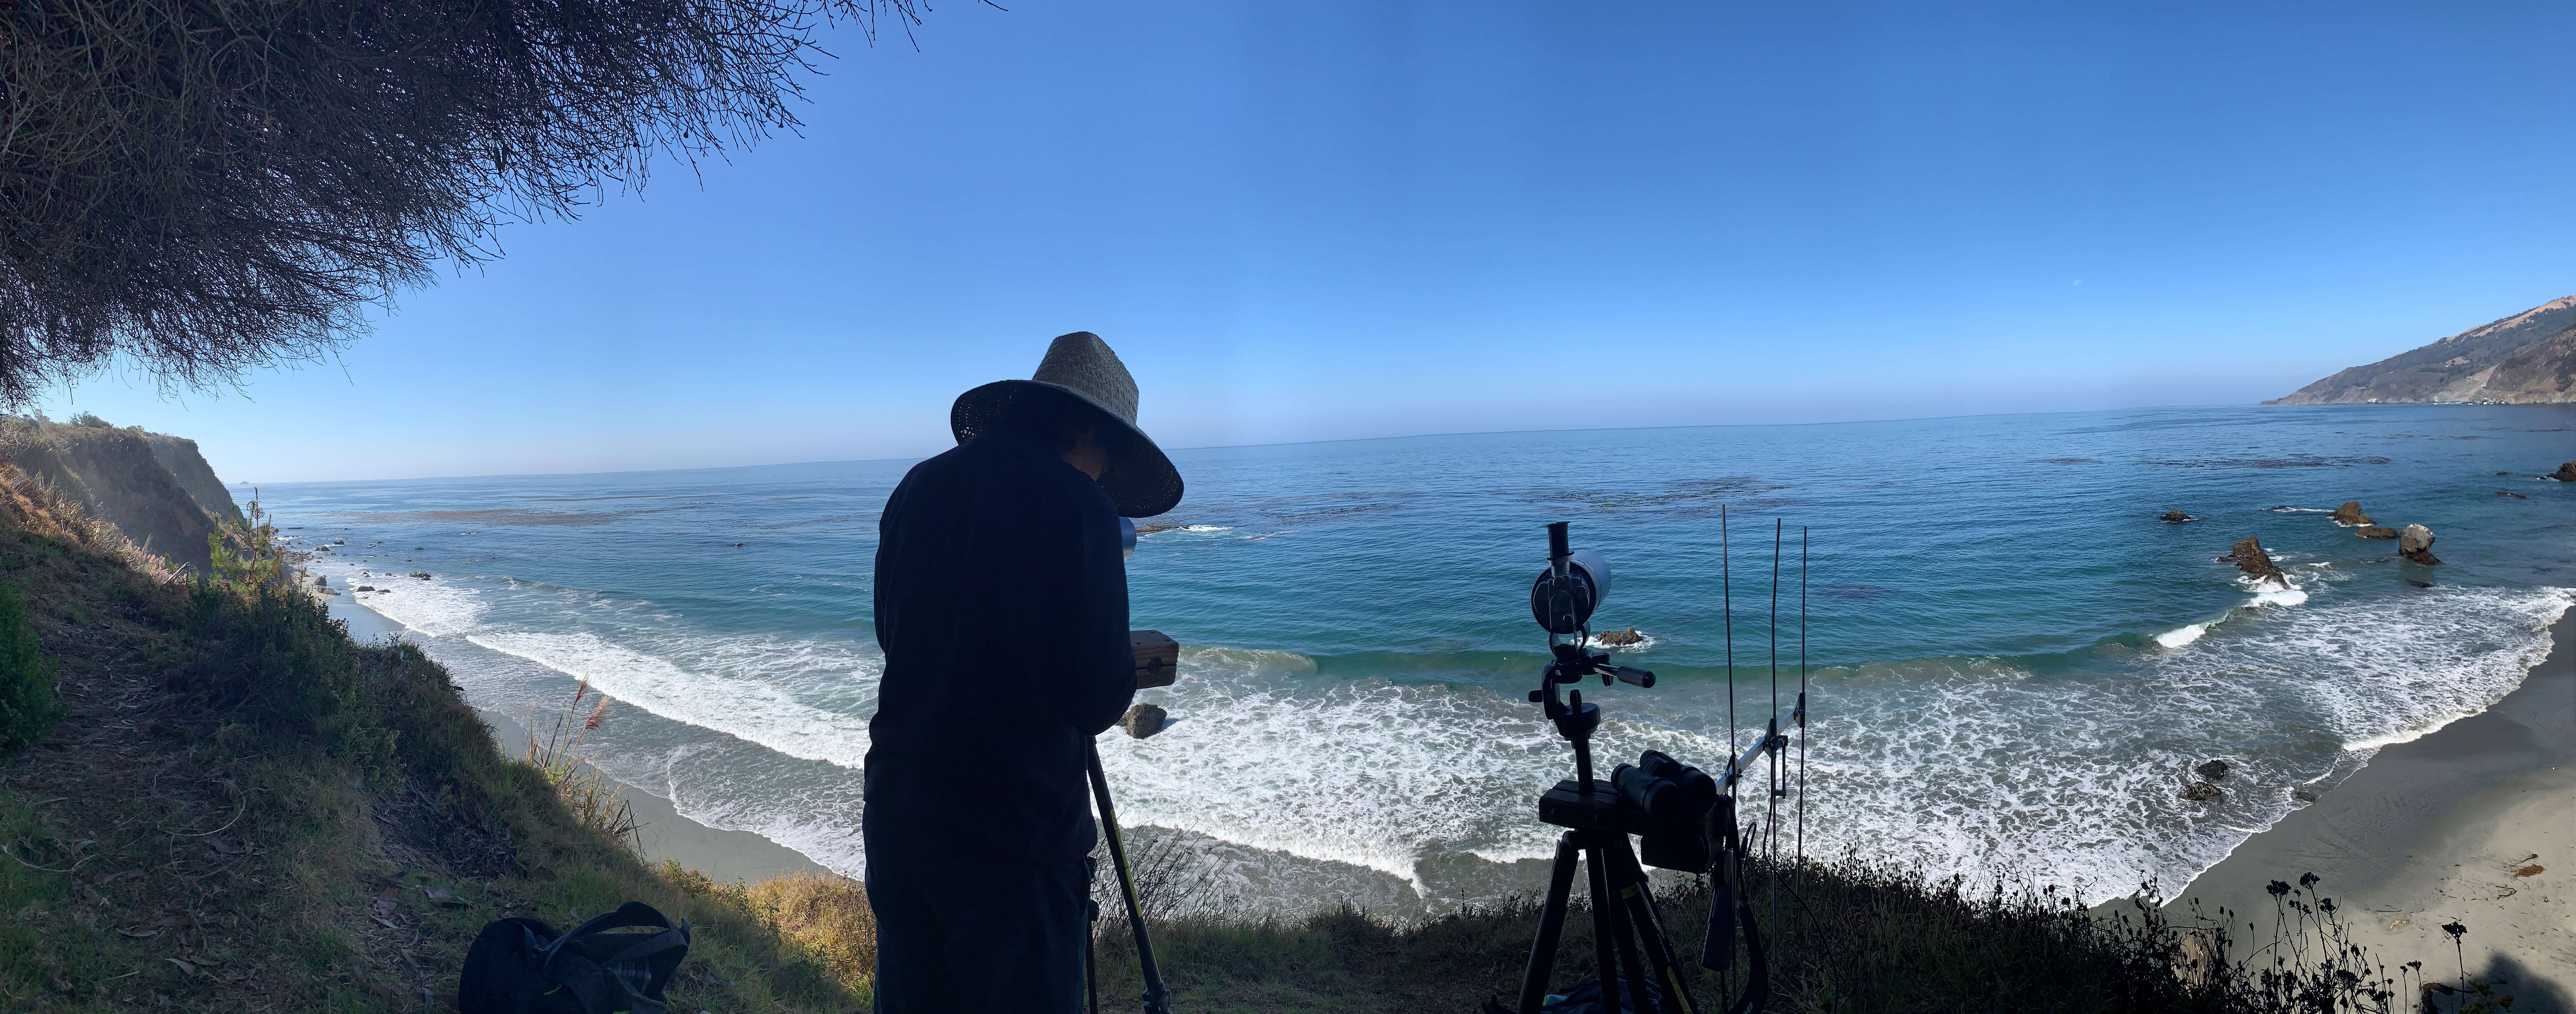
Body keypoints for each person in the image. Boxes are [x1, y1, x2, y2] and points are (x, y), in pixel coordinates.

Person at [864, 332, 1184, 1013]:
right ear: (1081, 429)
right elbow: (1096, 695)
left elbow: (896, 635)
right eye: (1107, 462)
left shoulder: (918, 485)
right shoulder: (1079, 507)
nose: (1105, 482)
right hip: (1012, 843)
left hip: (899, 816)